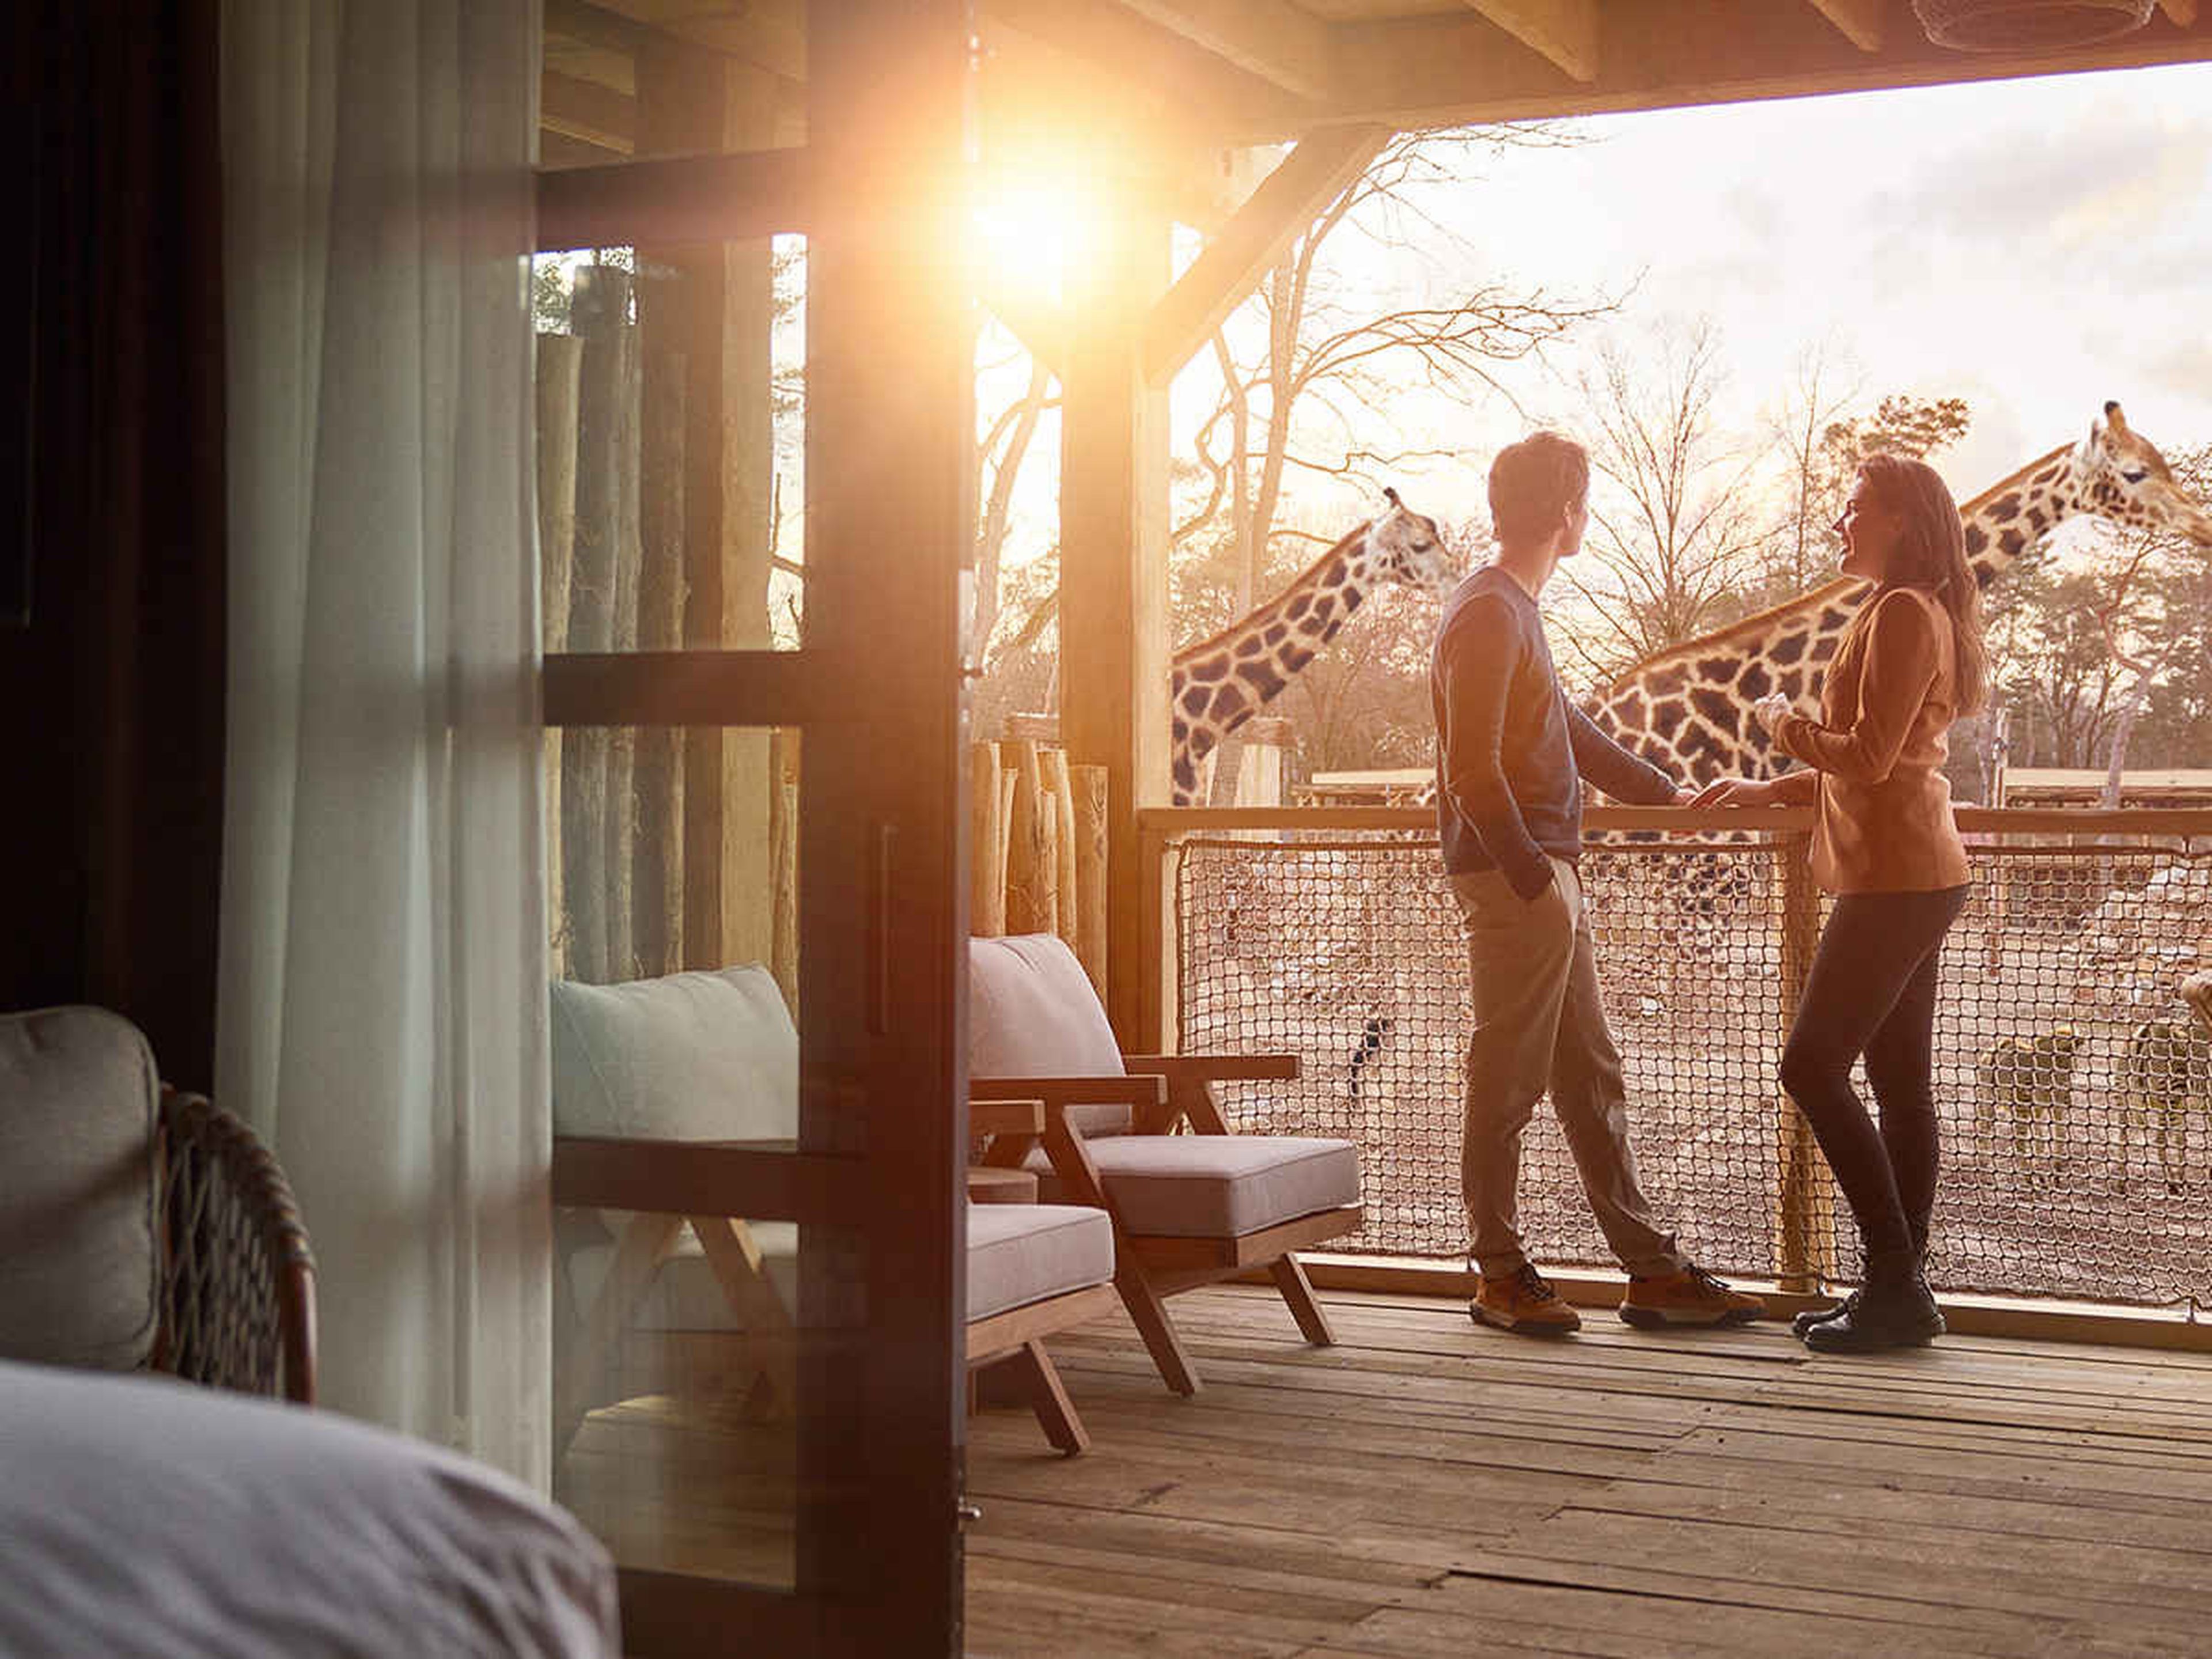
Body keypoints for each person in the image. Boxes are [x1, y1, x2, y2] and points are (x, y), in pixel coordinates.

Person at [1433, 430, 1766, 1336]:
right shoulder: (1489, 613)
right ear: (1568, 513)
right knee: (1506, 1080)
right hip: (1521, 882)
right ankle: (1499, 1273)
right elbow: (1471, 772)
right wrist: (1538, 879)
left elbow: (1567, 728)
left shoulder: (1515, 609)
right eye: (1587, 503)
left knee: (1590, 1074)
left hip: (1544, 879)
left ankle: (1650, 1271)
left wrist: (1670, 797)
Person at [1693, 452, 1986, 1354]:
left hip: (1897, 878)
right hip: (1909, 870)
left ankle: (1897, 1281)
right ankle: (1898, 1291)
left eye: (1854, 508)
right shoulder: (1906, 610)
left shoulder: (1901, 612)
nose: (1840, 523)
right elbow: (1872, 760)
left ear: (1900, 520)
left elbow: (1866, 756)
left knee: (1810, 1069)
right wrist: (1770, 787)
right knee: (1899, 1088)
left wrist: (1781, 722)